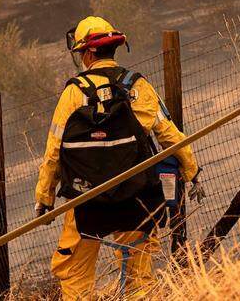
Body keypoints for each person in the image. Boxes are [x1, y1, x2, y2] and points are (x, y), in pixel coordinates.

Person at [34, 16, 205, 300]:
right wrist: (192, 171)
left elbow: (54, 149)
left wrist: (45, 197)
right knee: (139, 276)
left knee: (75, 273)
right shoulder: (138, 87)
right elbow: (170, 135)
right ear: (113, 48)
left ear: (87, 53)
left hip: (86, 202)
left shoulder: (74, 92)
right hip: (136, 198)